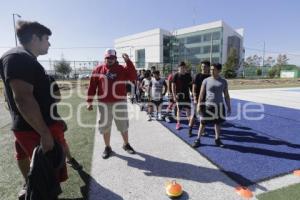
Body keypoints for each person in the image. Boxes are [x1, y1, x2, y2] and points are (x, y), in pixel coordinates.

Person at [0, 20, 68, 199]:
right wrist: (45, 133)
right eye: (46, 38)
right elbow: (23, 98)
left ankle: (29, 187)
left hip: (36, 126)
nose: (49, 43)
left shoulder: (25, 58)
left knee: (44, 175)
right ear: (35, 38)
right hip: (36, 130)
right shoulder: (18, 57)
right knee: (46, 179)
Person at [87, 49, 137, 159]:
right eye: (108, 58)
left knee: (123, 124)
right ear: (104, 57)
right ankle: (107, 147)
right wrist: (89, 101)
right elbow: (92, 87)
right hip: (104, 103)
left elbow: (133, 76)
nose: (110, 60)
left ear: (115, 58)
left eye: (112, 58)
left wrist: (128, 61)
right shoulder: (98, 69)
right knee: (105, 126)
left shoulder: (121, 69)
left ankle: (126, 144)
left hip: (120, 102)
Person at [192, 63, 231, 148]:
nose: (211, 71)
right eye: (211, 69)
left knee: (218, 123)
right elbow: (201, 94)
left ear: (219, 70)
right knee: (203, 123)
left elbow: (226, 95)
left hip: (219, 106)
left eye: (214, 69)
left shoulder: (223, 81)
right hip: (208, 105)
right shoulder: (206, 80)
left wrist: (229, 106)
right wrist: (199, 105)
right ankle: (198, 139)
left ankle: (217, 139)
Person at [49, 75, 82, 170]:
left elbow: (57, 97)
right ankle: (29, 178)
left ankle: (70, 159)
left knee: (61, 141)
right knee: (24, 152)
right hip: (24, 122)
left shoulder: (47, 78)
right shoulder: (12, 78)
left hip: (49, 116)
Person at [188, 60, 211, 137]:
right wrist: (194, 98)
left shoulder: (210, 77)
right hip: (197, 99)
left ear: (208, 67)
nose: (203, 68)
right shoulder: (197, 76)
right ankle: (190, 130)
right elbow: (193, 87)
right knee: (194, 115)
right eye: (202, 66)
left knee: (204, 116)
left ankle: (202, 131)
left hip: (207, 100)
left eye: (204, 66)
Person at [172, 61, 193, 130]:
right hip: (179, 96)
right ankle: (178, 123)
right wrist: (174, 96)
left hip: (186, 95)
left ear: (185, 68)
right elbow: (173, 86)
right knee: (179, 110)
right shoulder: (176, 75)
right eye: (181, 67)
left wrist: (192, 93)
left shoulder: (188, 75)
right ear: (178, 68)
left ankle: (190, 122)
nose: (182, 69)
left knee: (188, 110)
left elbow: (190, 85)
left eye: (184, 67)